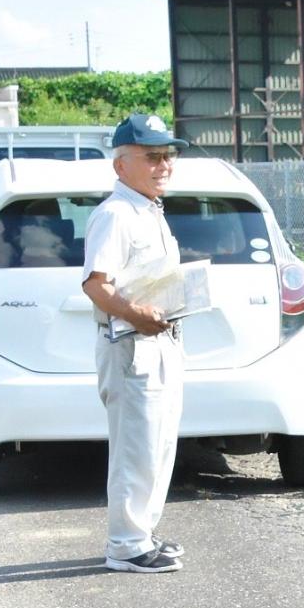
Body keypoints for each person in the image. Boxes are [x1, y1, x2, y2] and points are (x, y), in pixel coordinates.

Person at [79, 113, 188, 574]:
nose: (163, 165)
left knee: (159, 444)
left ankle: (142, 532)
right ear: (121, 165)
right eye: (152, 157)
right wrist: (134, 313)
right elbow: (95, 285)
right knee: (135, 448)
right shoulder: (116, 214)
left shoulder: (148, 209)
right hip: (129, 346)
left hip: (158, 342)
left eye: (168, 156)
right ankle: (125, 544)